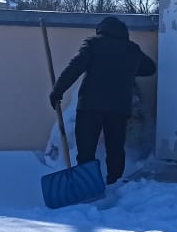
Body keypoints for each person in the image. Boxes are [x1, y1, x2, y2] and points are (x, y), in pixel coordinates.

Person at [49, 16, 157, 185]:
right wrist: (127, 70)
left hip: (90, 106)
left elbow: (75, 67)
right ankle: (115, 183)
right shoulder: (132, 49)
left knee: (86, 148)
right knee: (115, 149)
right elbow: (150, 68)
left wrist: (57, 92)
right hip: (119, 108)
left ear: (101, 30)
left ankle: (87, 184)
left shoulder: (93, 44)